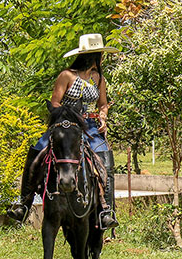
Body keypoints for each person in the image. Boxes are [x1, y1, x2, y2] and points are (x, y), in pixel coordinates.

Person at [7, 34, 119, 229]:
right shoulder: (67, 75)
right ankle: (23, 203)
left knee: (106, 158)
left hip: (90, 128)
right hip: (66, 125)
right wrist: (69, 116)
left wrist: (103, 117)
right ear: (91, 55)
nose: (101, 58)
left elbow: (102, 104)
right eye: (99, 54)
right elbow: (55, 102)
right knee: (37, 150)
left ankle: (105, 210)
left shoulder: (99, 79)